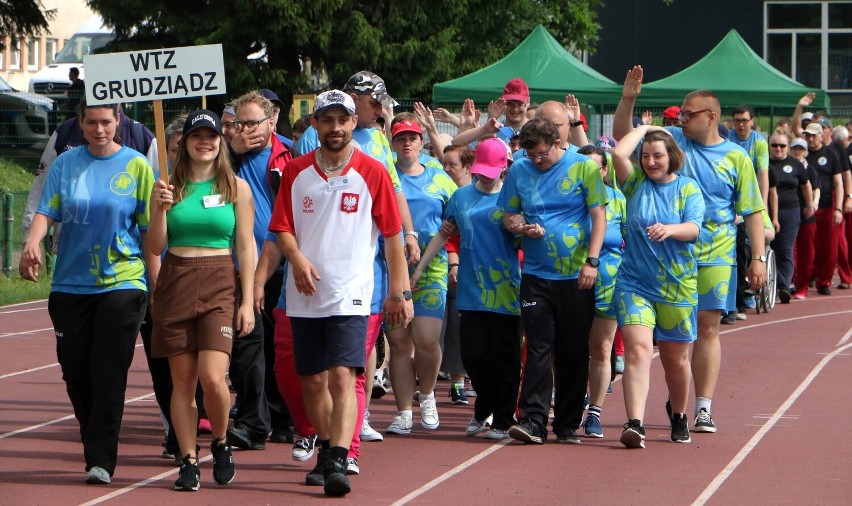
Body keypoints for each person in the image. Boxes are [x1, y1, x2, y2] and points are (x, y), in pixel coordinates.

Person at [268, 90, 413, 497]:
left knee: (343, 377)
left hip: (353, 292)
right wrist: (296, 260)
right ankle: (327, 449)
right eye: (327, 120)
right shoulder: (296, 171)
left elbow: (391, 237)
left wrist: (400, 292)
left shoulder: (372, 171)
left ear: (354, 124)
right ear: (315, 124)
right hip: (304, 295)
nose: (335, 128)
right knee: (312, 381)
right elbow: (280, 228)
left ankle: (335, 457)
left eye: (342, 120)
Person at [613, 65, 766, 433]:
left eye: (687, 114)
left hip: (714, 252)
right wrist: (629, 99)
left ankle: (702, 406)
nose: (680, 119)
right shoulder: (673, 145)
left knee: (707, 328)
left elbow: (753, 209)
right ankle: (675, 396)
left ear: (710, 116)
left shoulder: (736, 158)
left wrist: (758, 257)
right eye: (679, 114)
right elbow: (622, 141)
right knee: (673, 346)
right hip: (661, 260)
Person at [19, 99, 154, 484]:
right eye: (91, 123)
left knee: (108, 369)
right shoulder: (66, 164)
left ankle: (100, 458)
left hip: (123, 281)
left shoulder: (136, 165)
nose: (99, 130)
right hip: (71, 284)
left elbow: (148, 231)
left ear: (118, 122)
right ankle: (93, 434)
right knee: (76, 371)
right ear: (81, 123)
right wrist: (31, 242)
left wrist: (156, 279)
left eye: (106, 122)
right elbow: (48, 211)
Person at [148, 110, 256, 491]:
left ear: (220, 141)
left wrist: (246, 301)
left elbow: (245, 243)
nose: (204, 142)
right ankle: (188, 459)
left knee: (213, 378)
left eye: (211, 136)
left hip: (219, 282)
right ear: (186, 142)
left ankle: (221, 441)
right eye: (197, 136)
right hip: (176, 280)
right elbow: (155, 246)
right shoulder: (166, 186)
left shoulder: (236, 188)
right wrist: (160, 209)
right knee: (182, 381)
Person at [499, 117, 608, 445]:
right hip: (535, 275)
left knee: (573, 349)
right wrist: (522, 228)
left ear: (558, 143)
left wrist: (591, 261)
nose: (537, 161)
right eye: (531, 155)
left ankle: (566, 423)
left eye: (542, 155)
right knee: (538, 347)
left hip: (576, 276)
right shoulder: (519, 170)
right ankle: (533, 420)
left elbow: (599, 215)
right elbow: (508, 216)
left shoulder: (584, 168)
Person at [411, 137, 521, 439]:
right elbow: (444, 234)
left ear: (504, 168)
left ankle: (501, 419)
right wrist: (420, 268)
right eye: (479, 170)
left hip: (508, 290)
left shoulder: (514, 198)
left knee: (506, 357)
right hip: (472, 290)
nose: (483, 177)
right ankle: (484, 404)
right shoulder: (461, 197)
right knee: (473, 355)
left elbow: (526, 237)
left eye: (490, 171)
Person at [610, 125, 705, 448]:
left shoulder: (688, 189)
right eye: (647, 156)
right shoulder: (634, 183)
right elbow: (618, 153)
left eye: (658, 156)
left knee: (675, 359)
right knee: (637, 349)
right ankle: (635, 422)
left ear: (672, 157)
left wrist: (670, 229)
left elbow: (693, 228)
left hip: (677, 286)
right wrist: (645, 128)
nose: (651, 162)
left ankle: (679, 414)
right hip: (634, 282)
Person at [226, 91, 293, 450]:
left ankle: (283, 417)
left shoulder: (291, 154)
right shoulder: (227, 155)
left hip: (280, 262)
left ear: (272, 122)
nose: (247, 130)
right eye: (241, 123)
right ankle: (253, 422)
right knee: (247, 346)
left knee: (279, 345)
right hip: (237, 264)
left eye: (254, 122)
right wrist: (231, 149)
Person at [385, 118, 457, 434]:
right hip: (392, 268)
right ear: (393, 143)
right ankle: (403, 412)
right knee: (400, 343)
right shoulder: (385, 176)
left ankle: (426, 395)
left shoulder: (439, 179)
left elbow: (458, 213)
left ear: (421, 142)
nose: (407, 144)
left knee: (426, 339)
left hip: (432, 268)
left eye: (413, 138)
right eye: (401, 138)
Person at [576, 144, 625, 438]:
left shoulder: (618, 200)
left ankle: (594, 412)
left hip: (608, 283)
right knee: (569, 347)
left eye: (595, 168)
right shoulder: (566, 198)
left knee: (601, 348)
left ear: (605, 171)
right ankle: (570, 399)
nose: (589, 174)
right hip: (569, 282)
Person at [768, 133, 814, 303]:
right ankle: (768, 284)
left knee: (785, 249)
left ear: (787, 147)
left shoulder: (795, 164)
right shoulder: (764, 164)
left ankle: (784, 286)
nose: (778, 149)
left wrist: (809, 205)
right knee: (768, 247)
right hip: (766, 211)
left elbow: (805, 185)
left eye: (782, 145)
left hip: (790, 212)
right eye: (774, 145)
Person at [802, 122, 844, 296]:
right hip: (805, 209)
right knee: (806, 247)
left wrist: (839, 208)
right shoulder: (801, 154)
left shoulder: (831, 154)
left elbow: (838, 183)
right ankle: (804, 279)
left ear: (821, 135)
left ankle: (824, 281)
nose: (811, 139)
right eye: (808, 135)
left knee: (828, 248)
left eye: (814, 135)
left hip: (827, 207)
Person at [790, 137, 821, 299]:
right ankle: (790, 281)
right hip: (789, 215)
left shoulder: (810, 170)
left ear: (806, 152)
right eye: (794, 148)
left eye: (800, 149)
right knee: (790, 251)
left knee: (806, 252)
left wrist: (813, 204)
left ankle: (802, 286)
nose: (797, 152)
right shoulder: (785, 166)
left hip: (806, 215)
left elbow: (816, 189)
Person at [490, 77, 530, 144]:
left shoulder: (536, 131)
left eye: (520, 104)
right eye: (509, 103)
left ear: (528, 102)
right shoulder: (494, 131)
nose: (515, 109)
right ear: (503, 102)